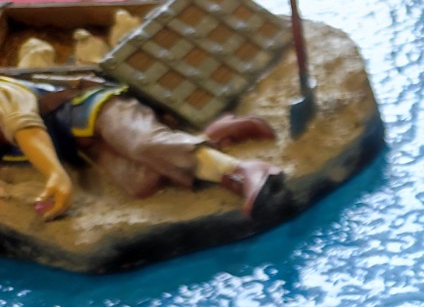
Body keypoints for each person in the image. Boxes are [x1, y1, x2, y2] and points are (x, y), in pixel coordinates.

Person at [0, 75, 283, 221]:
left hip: (98, 109)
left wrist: (54, 173)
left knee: (145, 145)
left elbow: (25, 127)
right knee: (140, 183)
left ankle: (244, 170)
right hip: (86, 146)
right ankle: (214, 135)